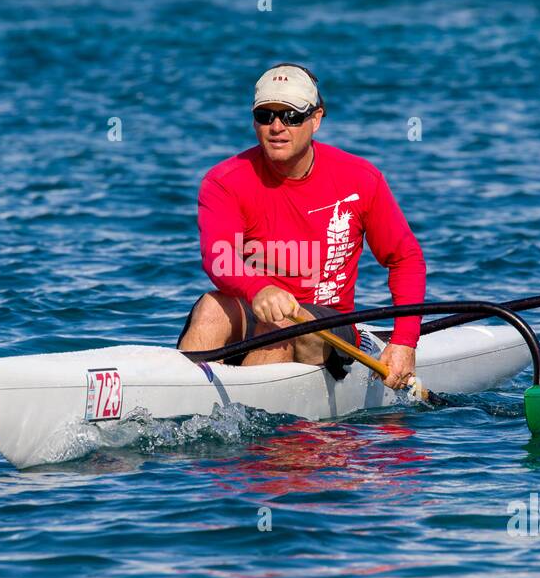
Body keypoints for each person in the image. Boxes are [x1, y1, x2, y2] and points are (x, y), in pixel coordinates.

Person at [177, 63, 426, 389]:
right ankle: (180, 401)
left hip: (327, 323)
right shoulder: (223, 181)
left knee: (277, 324)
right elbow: (218, 257)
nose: (277, 126)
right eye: (266, 115)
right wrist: (258, 289)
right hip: (255, 306)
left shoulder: (360, 179)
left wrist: (405, 341)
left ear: (316, 119)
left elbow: (405, 259)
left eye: (291, 116)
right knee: (212, 306)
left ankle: (251, 428)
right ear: (255, 121)